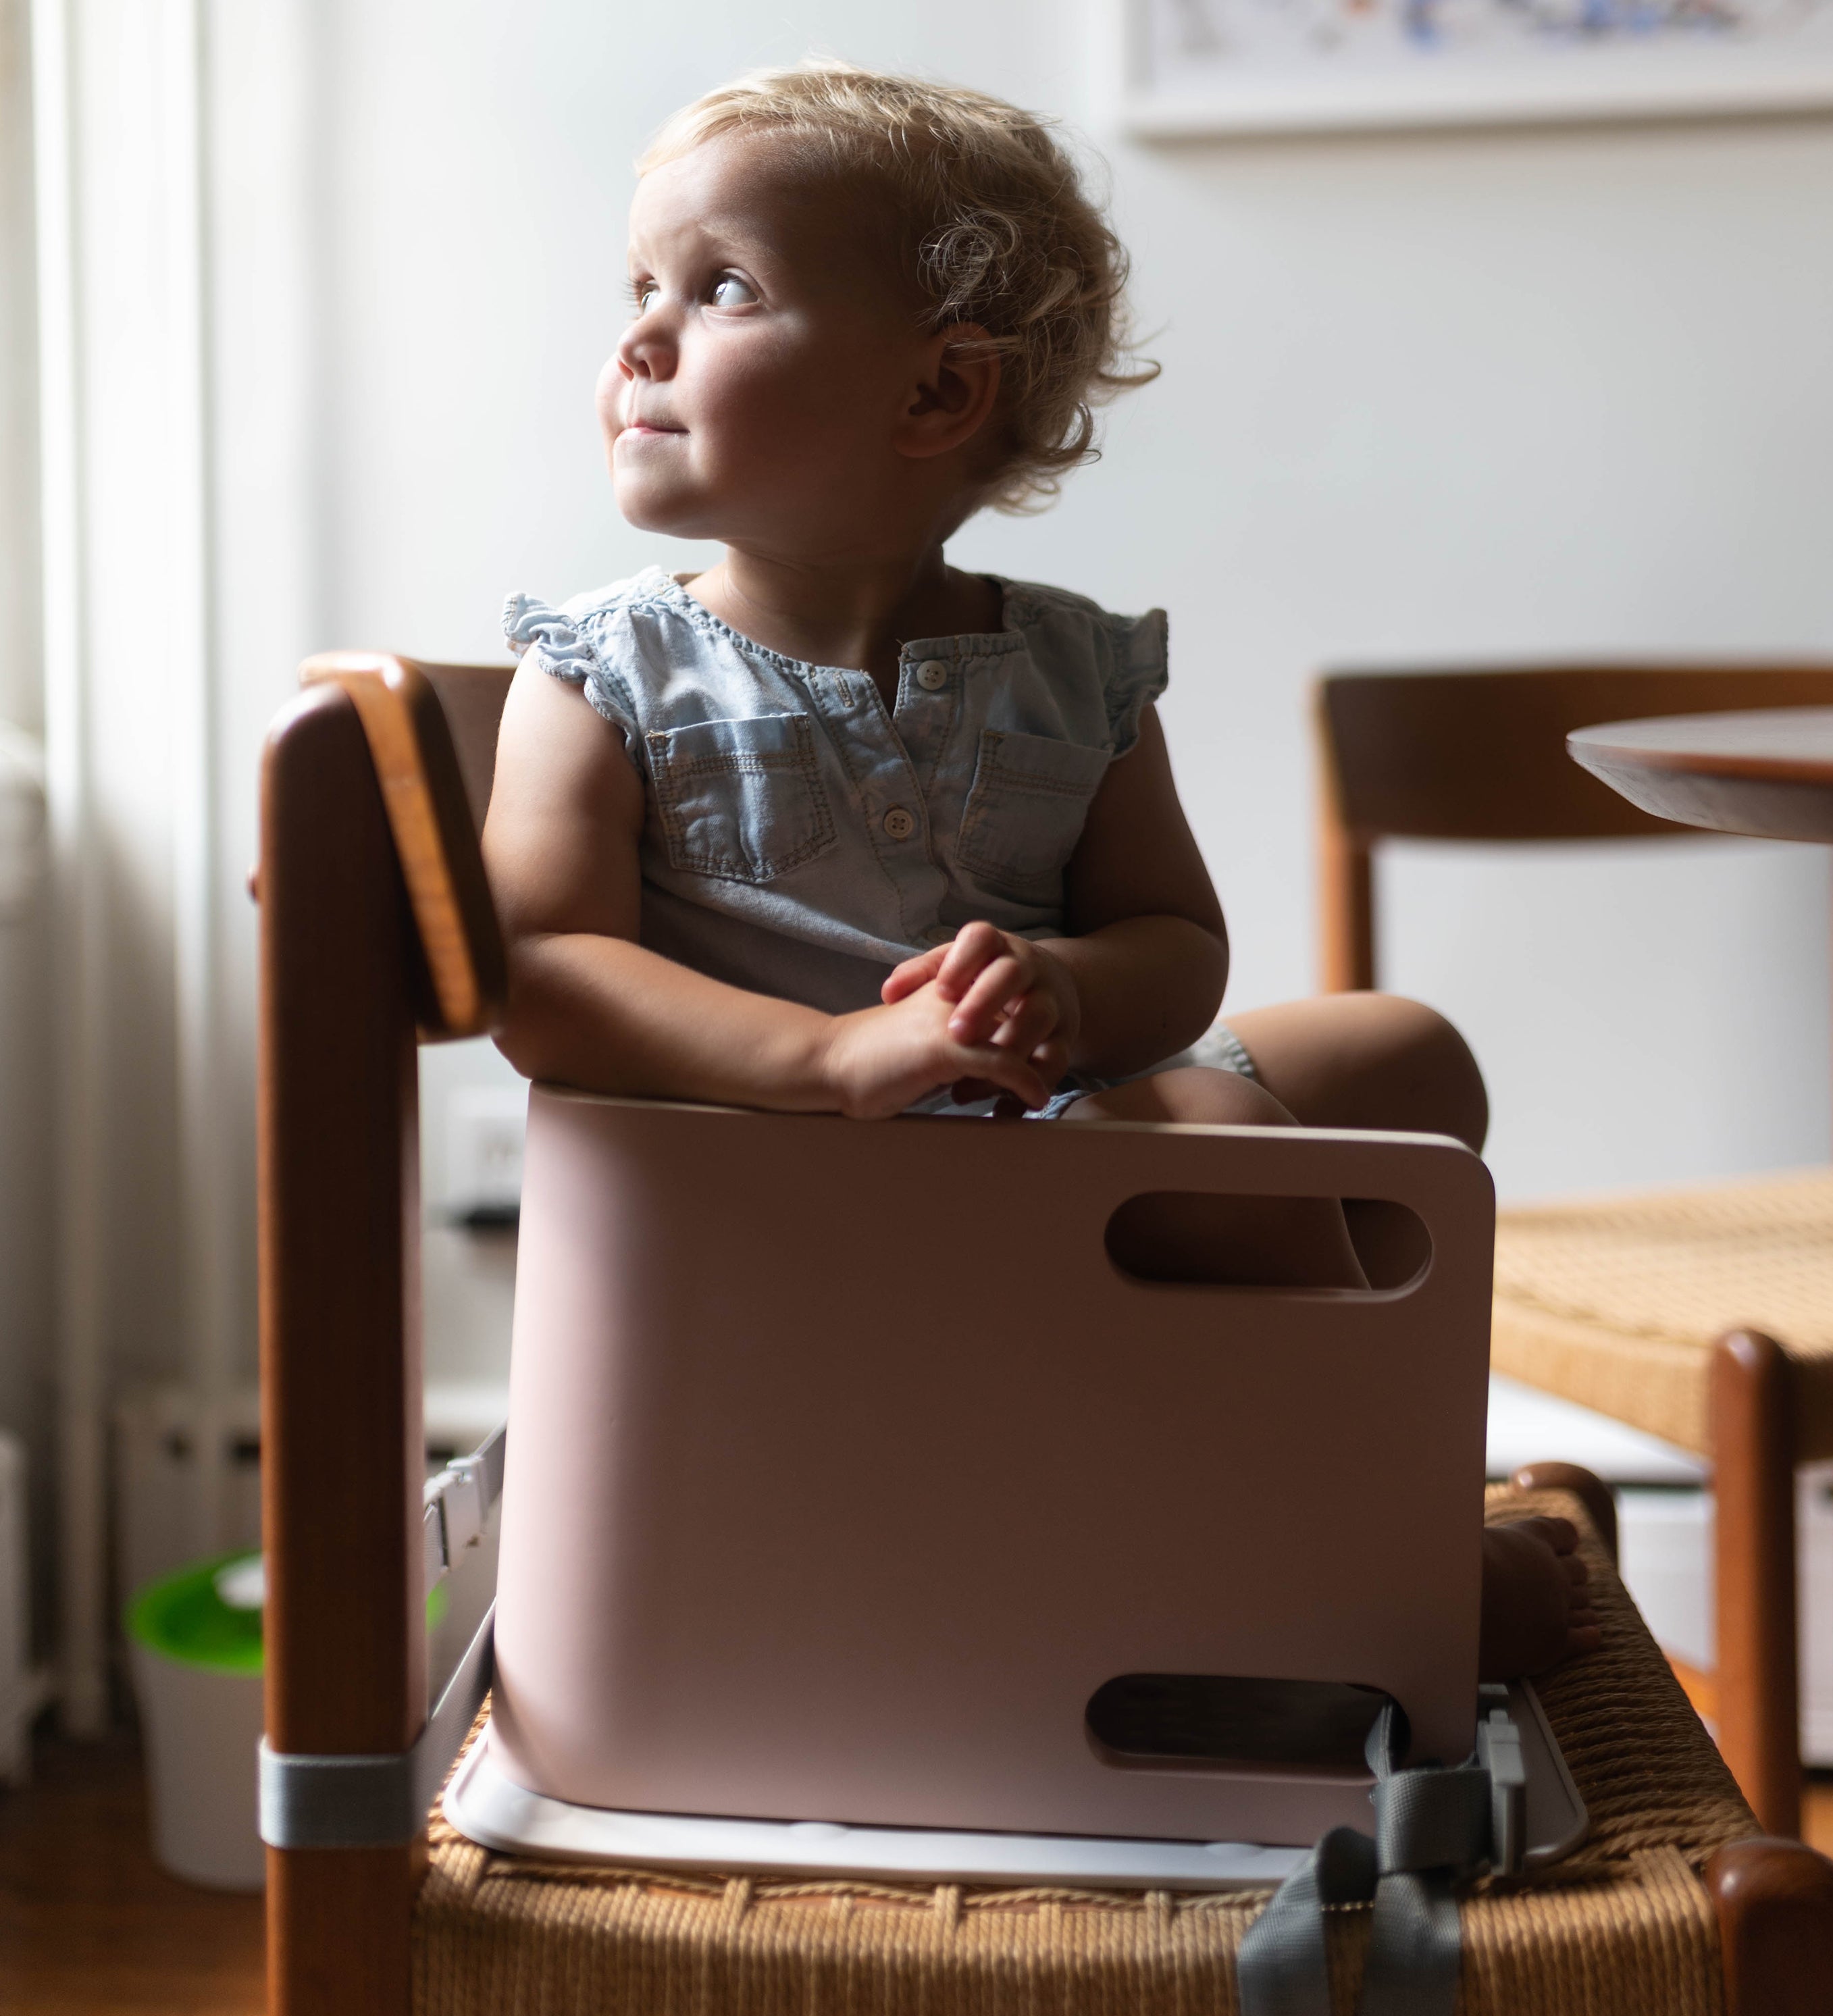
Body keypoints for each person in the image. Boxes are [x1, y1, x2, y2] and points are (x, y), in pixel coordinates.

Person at [482, 59, 1596, 1680]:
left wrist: (1073, 983)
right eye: (640, 288)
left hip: (1043, 1132)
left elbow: (1176, 939)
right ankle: (1369, 1557)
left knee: (1404, 1051)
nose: (640, 339)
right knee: (1221, 1138)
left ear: (938, 396)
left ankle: (1256, 1482)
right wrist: (837, 1053)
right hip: (805, 1196)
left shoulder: (1073, 668)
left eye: (720, 289)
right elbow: (543, 972)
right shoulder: (607, 673)